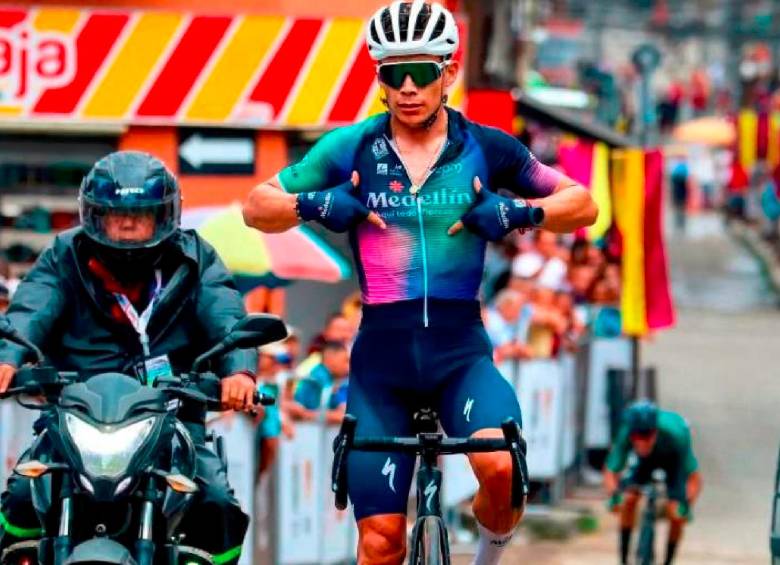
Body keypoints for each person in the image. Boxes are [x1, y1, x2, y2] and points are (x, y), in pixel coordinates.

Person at [242, 2, 597, 563]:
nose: (408, 86)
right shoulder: (351, 146)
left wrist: (515, 214)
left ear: (449, 73)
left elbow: (581, 203)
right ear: (379, 81)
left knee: (501, 468)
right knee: (380, 542)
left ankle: (487, 555)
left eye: (423, 72)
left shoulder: (486, 147)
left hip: (460, 356)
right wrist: (314, 203)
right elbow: (257, 206)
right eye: (393, 73)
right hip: (383, 363)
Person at [0, 151, 258, 564]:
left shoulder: (197, 257)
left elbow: (226, 316)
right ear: (93, 215)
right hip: (74, 420)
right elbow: (31, 309)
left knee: (216, 504)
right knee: (20, 496)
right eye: (113, 213)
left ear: (164, 216)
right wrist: (8, 357)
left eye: (141, 213)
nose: (127, 223)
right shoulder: (63, 254)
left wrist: (239, 371)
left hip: (173, 422)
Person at [603, 401, 702, 565]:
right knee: (628, 500)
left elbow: (694, 478)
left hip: (673, 461)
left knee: (676, 514)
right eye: (637, 438)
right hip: (644, 462)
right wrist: (614, 496)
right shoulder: (626, 432)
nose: (642, 443)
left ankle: (669, 560)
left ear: (655, 432)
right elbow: (611, 471)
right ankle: (624, 559)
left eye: (647, 436)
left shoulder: (675, 434)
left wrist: (687, 505)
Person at [289, 341, 350, 426]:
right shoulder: (320, 376)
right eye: (345, 361)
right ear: (330, 358)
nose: (348, 367)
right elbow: (310, 413)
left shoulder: (328, 377)